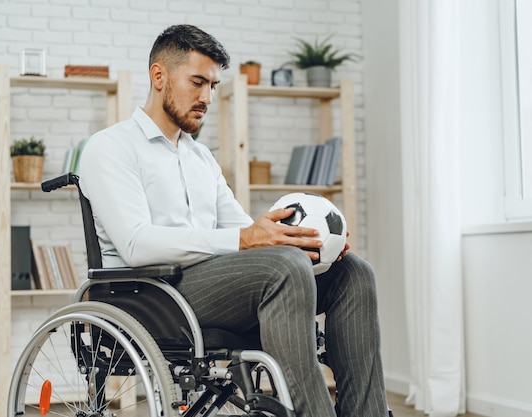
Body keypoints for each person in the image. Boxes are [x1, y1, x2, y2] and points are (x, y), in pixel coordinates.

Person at [79, 24, 390, 417]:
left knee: (353, 273)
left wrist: (313, 245)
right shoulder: (111, 147)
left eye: (212, 85)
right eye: (197, 82)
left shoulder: (200, 158)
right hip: (152, 294)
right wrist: (246, 240)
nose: (207, 97)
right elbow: (137, 244)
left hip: (211, 286)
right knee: (283, 268)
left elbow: (250, 233)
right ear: (159, 76)